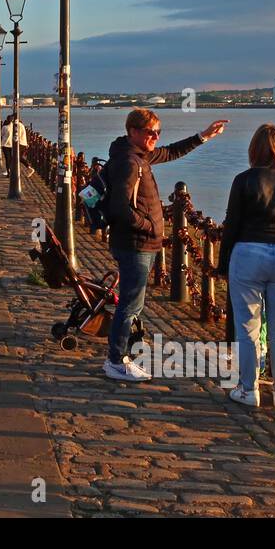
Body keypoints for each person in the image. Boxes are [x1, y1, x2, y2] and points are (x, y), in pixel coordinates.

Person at [102, 109, 227, 381]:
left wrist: (203, 136)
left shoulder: (138, 155)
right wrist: (149, 226)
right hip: (135, 243)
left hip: (136, 243)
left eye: (158, 132)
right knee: (130, 304)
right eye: (150, 132)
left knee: (132, 303)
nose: (155, 137)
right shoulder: (129, 162)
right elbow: (119, 208)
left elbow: (171, 152)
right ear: (133, 131)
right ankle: (115, 361)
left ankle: (124, 354)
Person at [218, 124, 275, 409]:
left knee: (247, 326)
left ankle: (249, 389)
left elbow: (231, 224)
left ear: (254, 149)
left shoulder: (243, 180)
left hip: (248, 253)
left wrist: (223, 264)